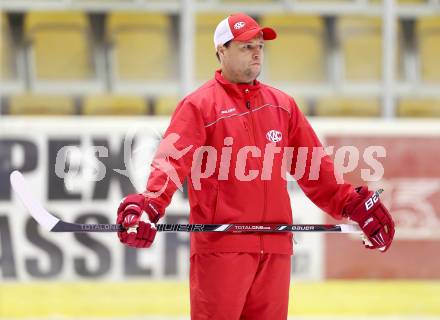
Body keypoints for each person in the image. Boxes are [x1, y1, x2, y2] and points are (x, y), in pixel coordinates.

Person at [116, 13, 395, 319]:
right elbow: (171, 161)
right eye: (246, 46)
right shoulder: (199, 105)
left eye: (259, 45)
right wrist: (151, 204)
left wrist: (352, 205)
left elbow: (314, 167)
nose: (257, 52)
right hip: (223, 248)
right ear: (221, 51)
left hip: (276, 247)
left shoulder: (282, 105)